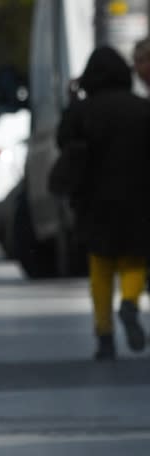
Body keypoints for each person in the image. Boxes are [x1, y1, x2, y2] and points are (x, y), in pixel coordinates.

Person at [52, 46, 150, 361]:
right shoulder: (142, 109)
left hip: (93, 199)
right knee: (135, 260)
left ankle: (104, 335)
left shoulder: (82, 112)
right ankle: (131, 303)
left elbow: (62, 140)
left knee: (101, 267)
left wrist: (74, 99)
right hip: (138, 197)